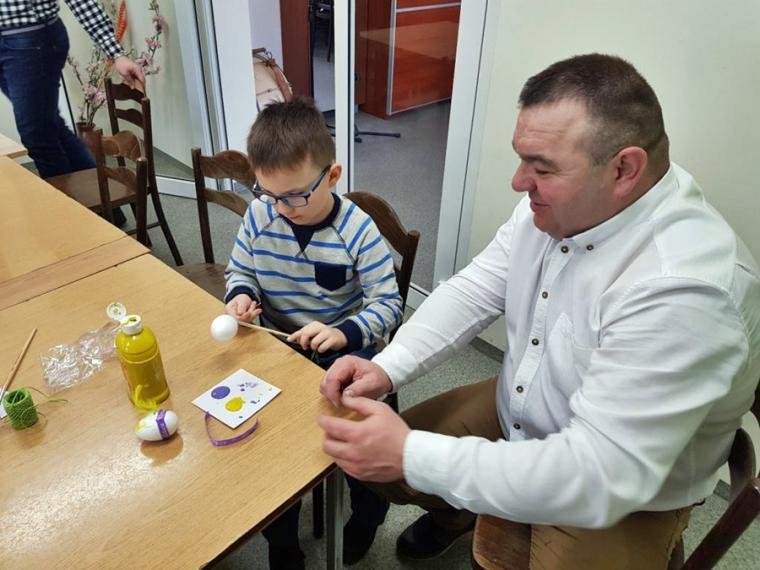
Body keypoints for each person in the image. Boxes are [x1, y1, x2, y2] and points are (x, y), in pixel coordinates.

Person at [318, 53, 760, 568]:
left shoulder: (685, 291)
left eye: (542, 167)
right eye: (522, 159)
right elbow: (475, 289)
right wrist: (387, 367)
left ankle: (469, 504)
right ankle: (456, 515)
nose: (518, 181)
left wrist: (412, 453)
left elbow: (598, 473)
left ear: (624, 169)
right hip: (529, 408)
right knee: (382, 465)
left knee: (405, 456)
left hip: (623, 489)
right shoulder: (565, 203)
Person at [223, 96, 404, 569]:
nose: (282, 209)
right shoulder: (261, 215)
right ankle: (283, 543)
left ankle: (367, 518)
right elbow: (240, 269)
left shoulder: (358, 230)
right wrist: (240, 295)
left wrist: (344, 333)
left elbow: (389, 305)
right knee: (264, 450)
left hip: (343, 357)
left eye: (295, 196)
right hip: (276, 349)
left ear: (333, 175)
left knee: (365, 450)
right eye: (269, 194)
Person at [0, 0, 144, 225]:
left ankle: (77, 224)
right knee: (51, 127)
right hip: (14, 44)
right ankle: (107, 211)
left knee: (39, 138)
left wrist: (117, 53)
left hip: (30, 41)